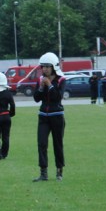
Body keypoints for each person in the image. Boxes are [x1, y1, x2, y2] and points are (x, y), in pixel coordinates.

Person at [32, 51, 66, 182]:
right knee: (41, 143)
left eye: (47, 66)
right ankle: (43, 173)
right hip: (43, 117)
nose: (44, 69)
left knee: (58, 144)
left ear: (53, 67)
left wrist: (50, 85)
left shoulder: (61, 80)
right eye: (43, 67)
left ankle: (59, 171)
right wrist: (41, 88)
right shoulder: (40, 80)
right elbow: (36, 99)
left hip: (57, 116)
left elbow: (58, 97)